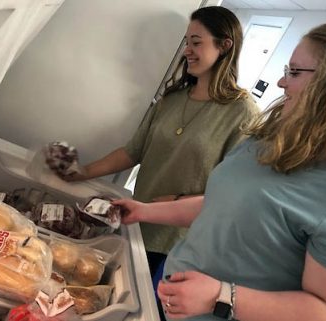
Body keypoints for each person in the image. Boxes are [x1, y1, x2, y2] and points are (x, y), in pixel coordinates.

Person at [115, 22, 326, 321]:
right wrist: (142, 211)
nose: (281, 83)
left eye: (295, 72)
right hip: (170, 302)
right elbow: (223, 204)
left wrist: (222, 296)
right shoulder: (270, 139)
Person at [51, 6, 259, 280]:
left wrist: (177, 201)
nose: (187, 50)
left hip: (179, 242)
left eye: (196, 42)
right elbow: (132, 151)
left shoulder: (242, 112)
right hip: (136, 221)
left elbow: (235, 190)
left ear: (224, 46)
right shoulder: (172, 100)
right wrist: (81, 173)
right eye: (187, 42)